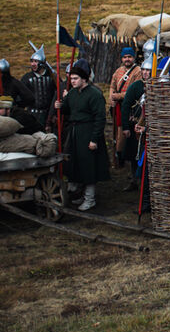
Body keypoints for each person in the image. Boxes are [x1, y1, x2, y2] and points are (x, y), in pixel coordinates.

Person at [54, 59, 110, 211]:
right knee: (76, 164)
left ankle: (90, 198)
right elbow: (68, 109)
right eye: (71, 78)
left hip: (88, 132)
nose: (72, 81)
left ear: (84, 79)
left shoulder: (94, 94)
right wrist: (60, 105)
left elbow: (100, 118)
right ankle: (80, 194)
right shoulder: (72, 93)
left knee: (88, 166)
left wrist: (94, 139)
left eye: (75, 78)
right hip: (75, 133)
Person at [119, 59, 153, 191]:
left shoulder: (158, 85)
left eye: (148, 70)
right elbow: (126, 106)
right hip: (136, 126)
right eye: (143, 70)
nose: (145, 73)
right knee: (135, 155)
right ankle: (133, 180)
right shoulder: (135, 86)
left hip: (151, 127)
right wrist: (126, 127)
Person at [109, 47, 142, 167]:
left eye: (129, 57)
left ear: (133, 57)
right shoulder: (118, 71)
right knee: (118, 132)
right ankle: (119, 155)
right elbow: (112, 85)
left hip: (132, 107)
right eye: (125, 57)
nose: (127, 59)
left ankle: (126, 156)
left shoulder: (138, 71)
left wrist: (116, 96)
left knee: (127, 132)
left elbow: (132, 92)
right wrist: (111, 98)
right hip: (118, 106)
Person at [20, 43, 61, 128]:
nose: (32, 64)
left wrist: (54, 114)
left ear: (42, 63)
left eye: (35, 61)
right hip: (32, 115)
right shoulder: (27, 78)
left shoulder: (52, 77)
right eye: (31, 61)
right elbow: (20, 96)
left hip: (49, 115)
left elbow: (59, 92)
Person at [0, 58, 40, 134]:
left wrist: (17, 106)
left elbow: (30, 98)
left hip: (11, 116)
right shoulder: (14, 82)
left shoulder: (14, 82)